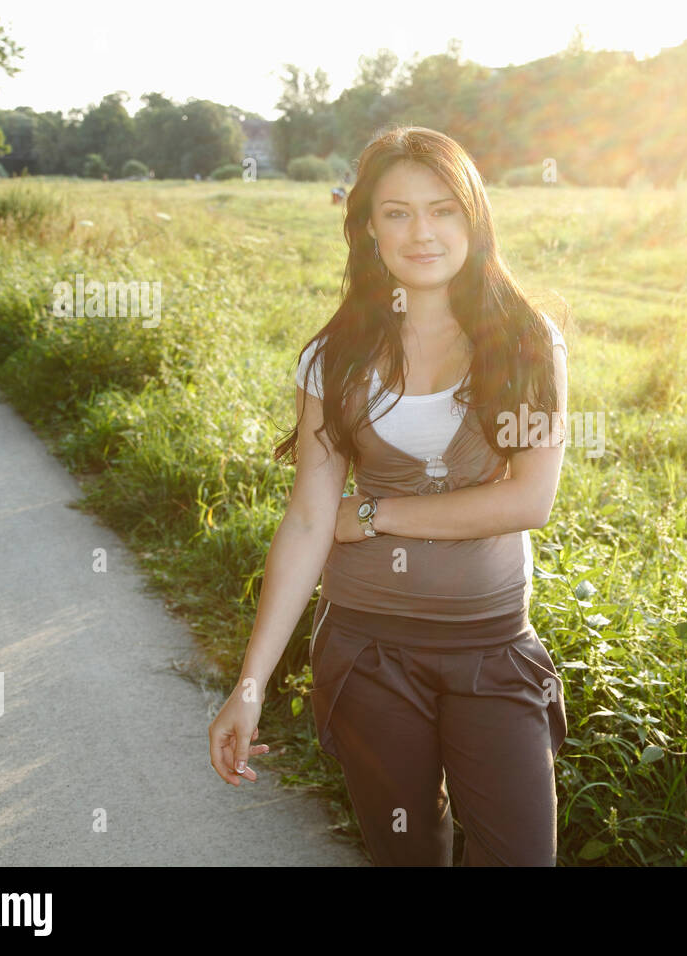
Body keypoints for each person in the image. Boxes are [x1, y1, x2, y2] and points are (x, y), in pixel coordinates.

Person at [208, 126, 571, 866]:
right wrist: (250, 685)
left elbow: (528, 500)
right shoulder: (334, 359)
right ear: (367, 226)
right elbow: (309, 518)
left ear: (473, 217)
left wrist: (375, 514)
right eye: (397, 212)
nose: (422, 232)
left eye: (442, 209)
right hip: (370, 650)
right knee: (409, 853)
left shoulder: (528, 342)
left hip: (491, 645)